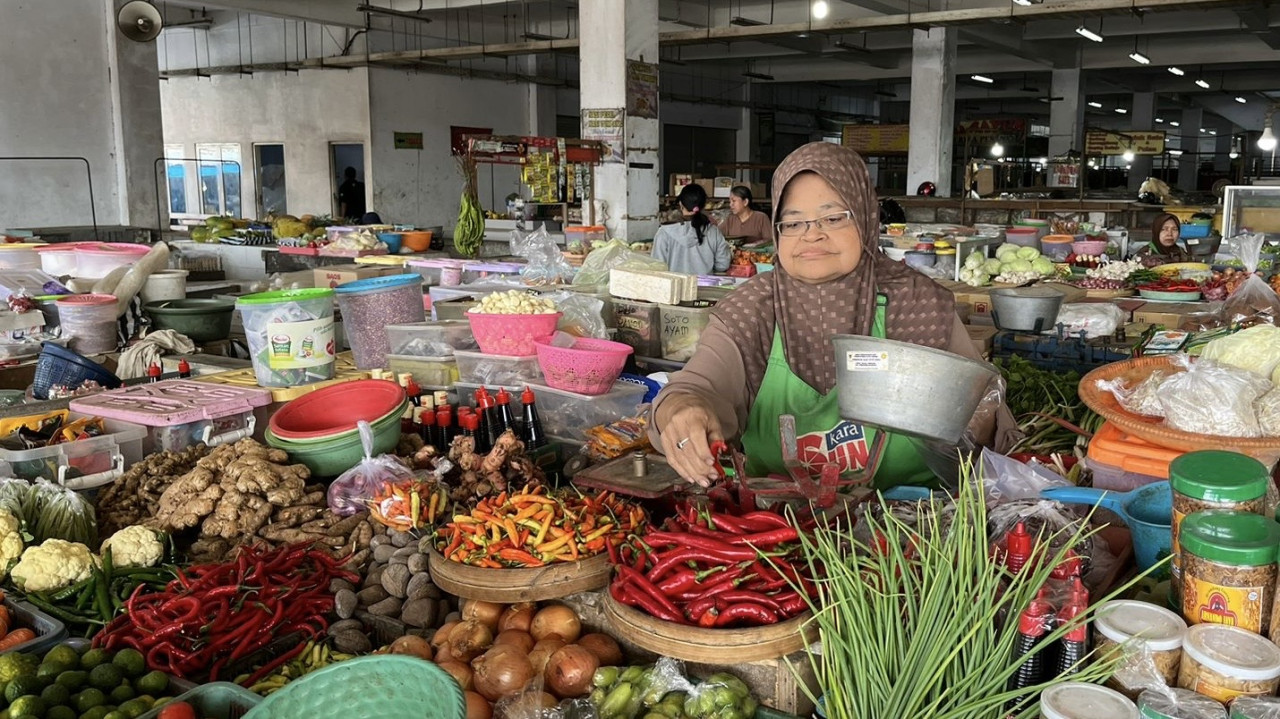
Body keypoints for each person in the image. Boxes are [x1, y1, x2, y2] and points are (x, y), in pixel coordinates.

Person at [648, 142, 1016, 488]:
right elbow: (697, 387)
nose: (812, 235)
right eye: (792, 223)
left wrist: (973, 418)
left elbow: (985, 406)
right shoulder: (750, 311)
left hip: (917, 530)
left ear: (867, 219)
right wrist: (684, 410)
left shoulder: (919, 303)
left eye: (834, 218)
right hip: (786, 533)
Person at [652, 184, 732, 276]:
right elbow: (723, 265)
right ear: (703, 205)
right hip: (705, 288)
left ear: (681, 203)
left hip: (674, 287)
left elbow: (657, 267)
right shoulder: (713, 231)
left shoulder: (664, 232)